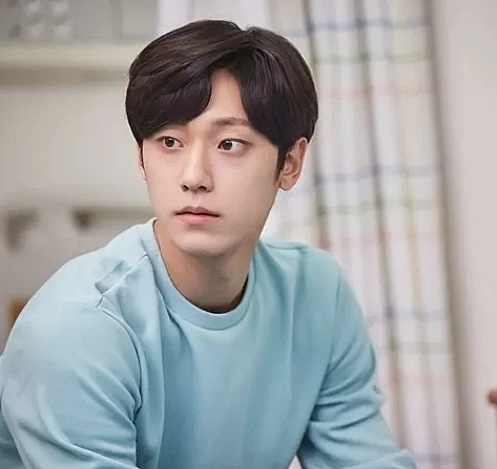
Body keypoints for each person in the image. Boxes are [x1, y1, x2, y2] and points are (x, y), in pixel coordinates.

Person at [0, 19, 417, 469]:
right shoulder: (79, 327)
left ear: (290, 163)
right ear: (141, 157)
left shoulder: (316, 293)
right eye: (170, 142)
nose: (194, 176)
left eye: (229, 144)